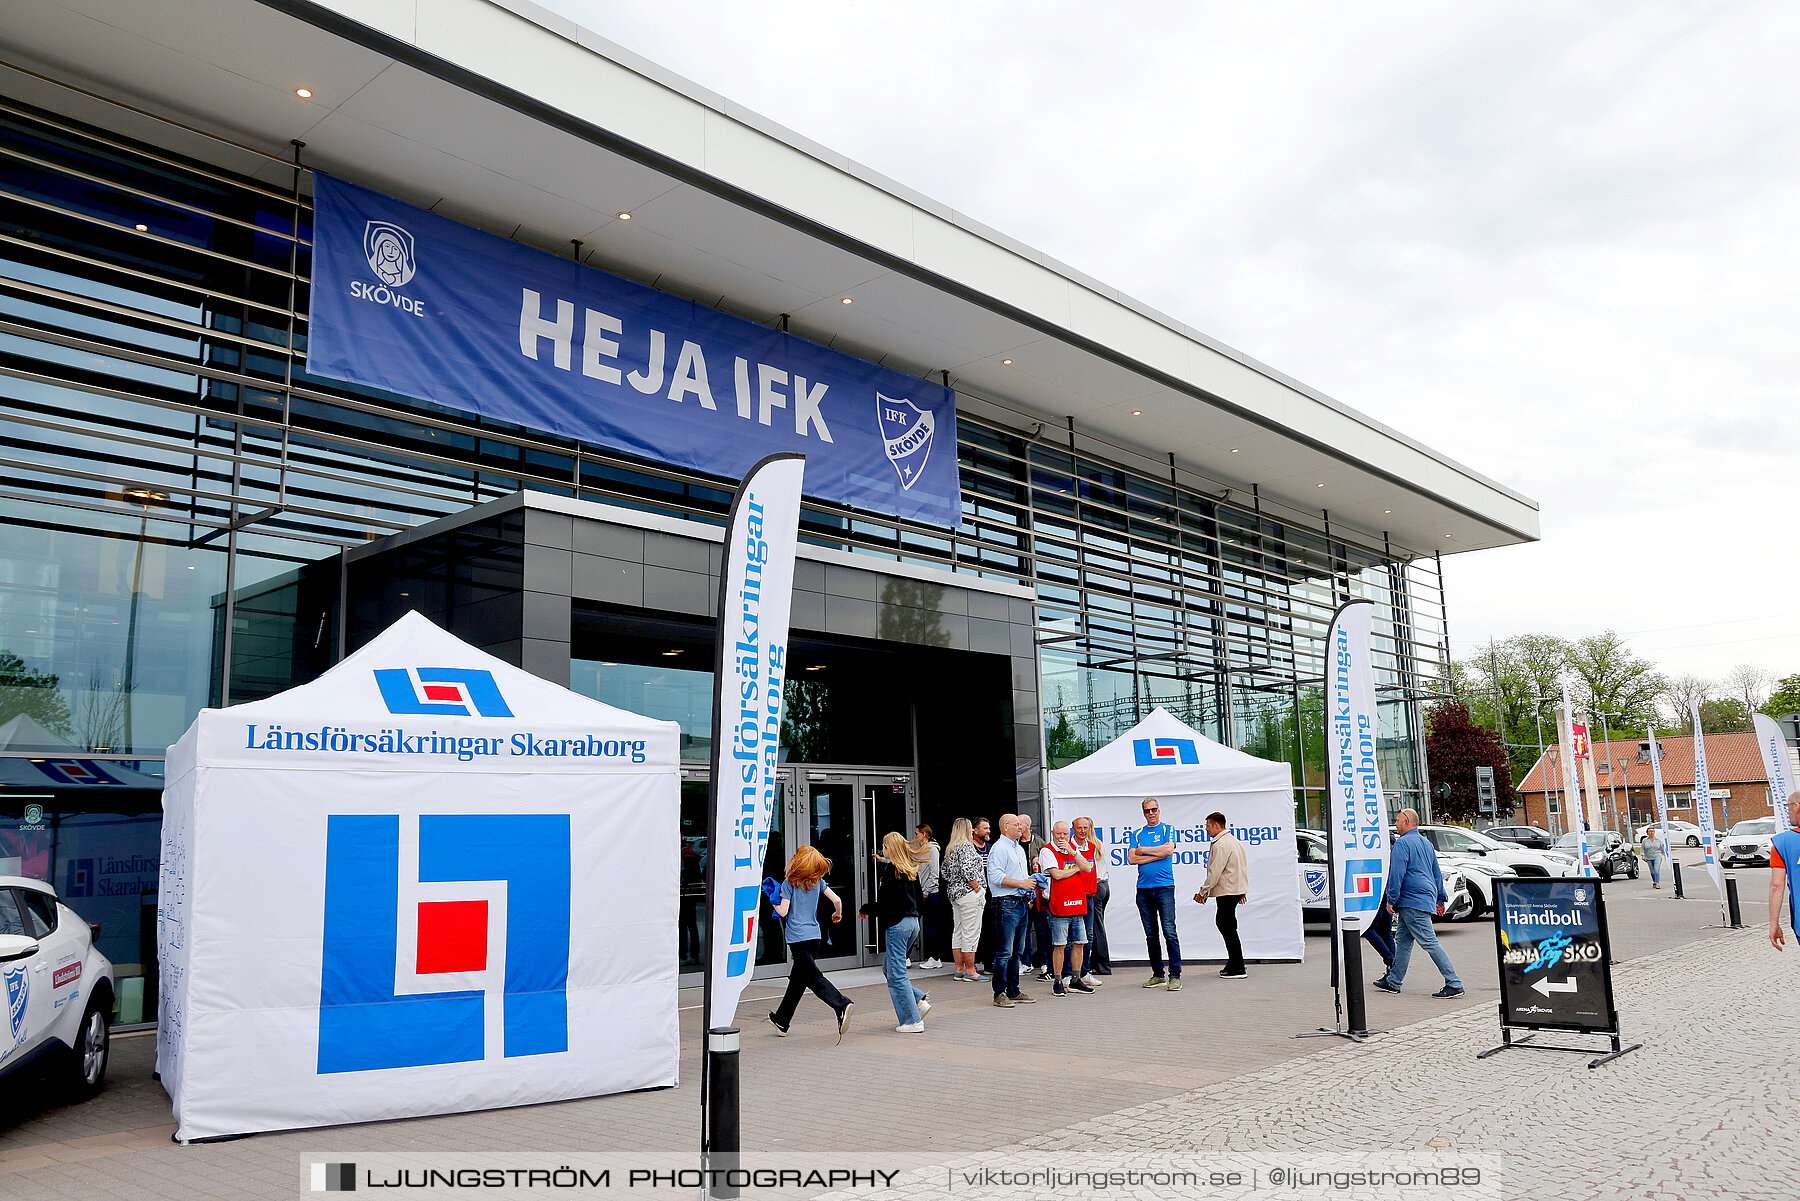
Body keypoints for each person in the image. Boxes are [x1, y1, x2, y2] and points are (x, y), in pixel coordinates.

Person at [1371, 808, 1463, 998]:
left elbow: (1397, 874)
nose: (1395, 824)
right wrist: (1440, 898)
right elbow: (1435, 872)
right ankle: (1393, 981)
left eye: (1397, 821)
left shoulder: (1402, 844)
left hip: (1411, 900)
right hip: (1422, 897)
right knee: (1403, 942)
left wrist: (1391, 898)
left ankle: (1454, 983)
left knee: (1430, 942)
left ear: (1406, 822)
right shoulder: (1426, 843)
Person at [767, 846, 854, 1041]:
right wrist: (837, 914)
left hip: (797, 938)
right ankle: (782, 1020)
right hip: (814, 936)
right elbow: (837, 900)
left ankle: (841, 1004)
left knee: (812, 976)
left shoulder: (789, 883)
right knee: (799, 980)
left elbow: (782, 912)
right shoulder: (818, 882)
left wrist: (773, 899)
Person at [873, 831, 931, 1032]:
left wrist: (865, 909)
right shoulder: (909, 871)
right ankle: (918, 1001)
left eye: (884, 846)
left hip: (898, 925)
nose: (882, 849)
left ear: (891, 849)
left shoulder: (891, 871)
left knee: (897, 974)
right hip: (912, 922)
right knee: (889, 969)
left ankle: (912, 1020)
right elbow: (920, 900)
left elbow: (885, 904)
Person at [986, 814, 1046, 1007]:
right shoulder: (999, 848)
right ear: (1005, 827)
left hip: (1019, 902)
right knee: (1005, 951)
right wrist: (1022, 883)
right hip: (1006, 903)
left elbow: (1018, 876)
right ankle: (999, 993)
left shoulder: (1018, 849)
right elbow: (995, 877)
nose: (1021, 828)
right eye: (1017, 824)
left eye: (1021, 825)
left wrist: (1028, 887)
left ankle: (1013, 990)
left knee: (1017, 951)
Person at [1127, 797, 1182, 990]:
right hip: (1143, 889)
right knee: (1151, 935)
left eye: (1154, 809)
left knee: (1169, 932)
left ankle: (1175, 975)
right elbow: (1132, 859)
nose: (1151, 813)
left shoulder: (1168, 829)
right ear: (1143, 813)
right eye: (1147, 810)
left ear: (1159, 810)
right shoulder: (1138, 833)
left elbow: (1168, 850)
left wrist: (1144, 851)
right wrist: (1156, 854)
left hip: (1164, 888)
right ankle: (1158, 974)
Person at [1038, 821, 1096, 996]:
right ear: (1052, 833)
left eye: (1064, 834)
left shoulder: (1072, 848)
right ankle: (1058, 980)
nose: (1062, 837)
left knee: (1080, 943)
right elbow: (1056, 874)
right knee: (1060, 945)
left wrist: (1073, 853)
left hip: (1077, 903)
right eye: (1058, 834)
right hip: (1058, 905)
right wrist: (1076, 867)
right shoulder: (1047, 850)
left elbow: (1088, 868)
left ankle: (1076, 979)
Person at [1192, 811, 1248, 979]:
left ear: (1216, 825)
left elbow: (1215, 872)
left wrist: (1203, 891)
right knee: (1229, 925)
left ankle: (1238, 966)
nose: (1206, 829)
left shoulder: (1221, 844)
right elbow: (1241, 867)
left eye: (1207, 826)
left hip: (1227, 890)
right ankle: (1234, 963)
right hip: (1234, 889)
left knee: (1226, 925)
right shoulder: (1234, 841)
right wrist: (1242, 890)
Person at [942, 818, 987, 980]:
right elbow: (968, 870)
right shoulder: (967, 847)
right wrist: (977, 888)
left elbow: (944, 873)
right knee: (971, 932)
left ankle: (959, 969)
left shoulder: (951, 848)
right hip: (969, 894)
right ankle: (971, 971)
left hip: (955, 894)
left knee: (959, 931)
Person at [1071, 816, 1110, 980]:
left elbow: (1087, 870)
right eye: (1079, 828)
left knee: (1093, 929)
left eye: (1085, 828)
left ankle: (1100, 966)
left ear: (1089, 828)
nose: (1082, 831)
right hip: (1103, 886)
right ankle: (1096, 965)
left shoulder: (1092, 845)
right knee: (1094, 928)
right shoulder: (1096, 844)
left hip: (1095, 887)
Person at [1016, 814, 1049, 979]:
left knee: (1042, 929)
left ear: (1028, 826)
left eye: (1019, 824)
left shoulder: (1039, 843)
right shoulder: (1014, 844)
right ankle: (1025, 962)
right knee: (1025, 930)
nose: (1017, 827)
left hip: (1039, 893)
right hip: (1022, 891)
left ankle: (1044, 962)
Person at [1769, 792, 1800, 951]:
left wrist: (1774, 924)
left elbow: (1777, 885)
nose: (1787, 812)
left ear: (1797, 807)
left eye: (1788, 807)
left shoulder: (1782, 843)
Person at [911, 824, 945, 969]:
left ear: (924, 834)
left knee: (929, 926)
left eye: (917, 834)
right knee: (918, 925)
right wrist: (884, 860)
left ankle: (935, 958)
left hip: (930, 895)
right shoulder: (920, 850)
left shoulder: (932, 850)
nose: (915, 837)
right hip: (923, 893)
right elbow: (909, 864)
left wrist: (925, 891)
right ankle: (931, 958)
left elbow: (934, 874)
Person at [1639, 824, 1665, 889]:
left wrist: (1665, 855)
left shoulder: (1658, 840)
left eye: (1653, 831)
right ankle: (1654, 881)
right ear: (1647, 833)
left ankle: (1657, 883)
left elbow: (1662, 849)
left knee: (1656, 870)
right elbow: (1642, 849)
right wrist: (1643, 855)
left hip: (1657, 856)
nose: (1651, 833)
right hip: (1649, 857)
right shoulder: (1645, 840)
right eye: (1650, 831)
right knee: (1652, 871)